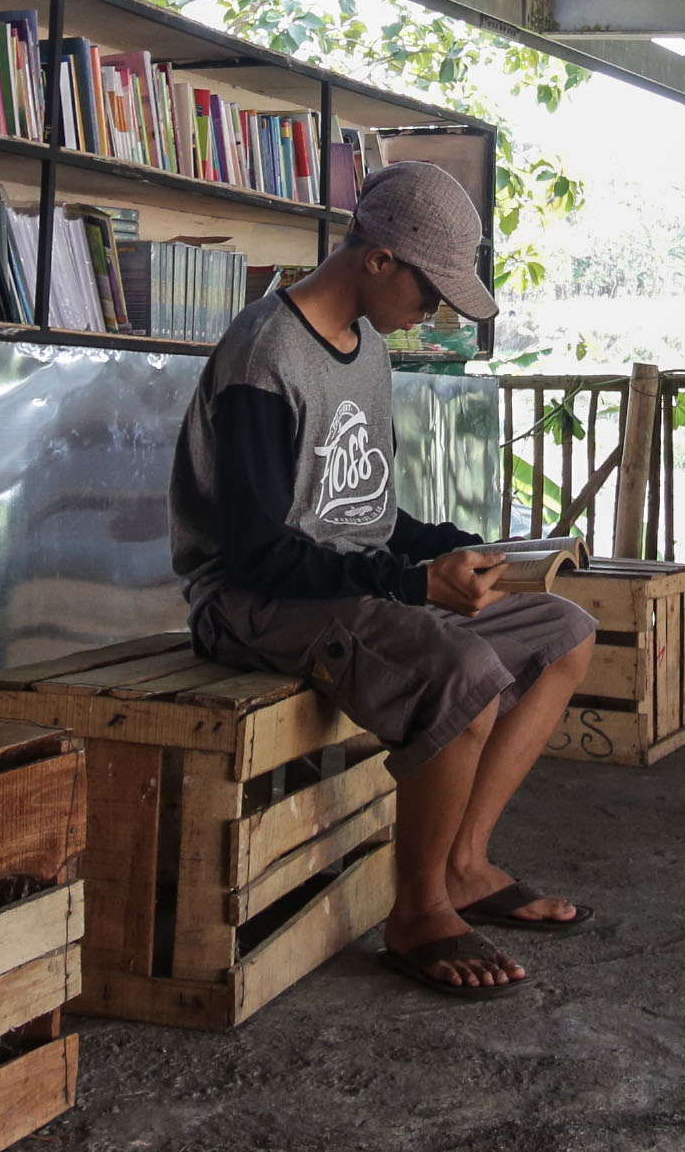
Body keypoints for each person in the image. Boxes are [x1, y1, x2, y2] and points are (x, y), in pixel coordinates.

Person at [172, 160, 600, 998]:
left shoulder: (365, 346)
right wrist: (414, 586)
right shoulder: (266, 355)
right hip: (252, 603)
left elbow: (360, 511)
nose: (432, 313)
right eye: (430, 291)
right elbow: (256, 553)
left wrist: (463, 548)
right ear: (377, 259)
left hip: (341, 588)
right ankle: (418, 913)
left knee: (564, 633)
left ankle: (465, 864)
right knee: (463, 673)